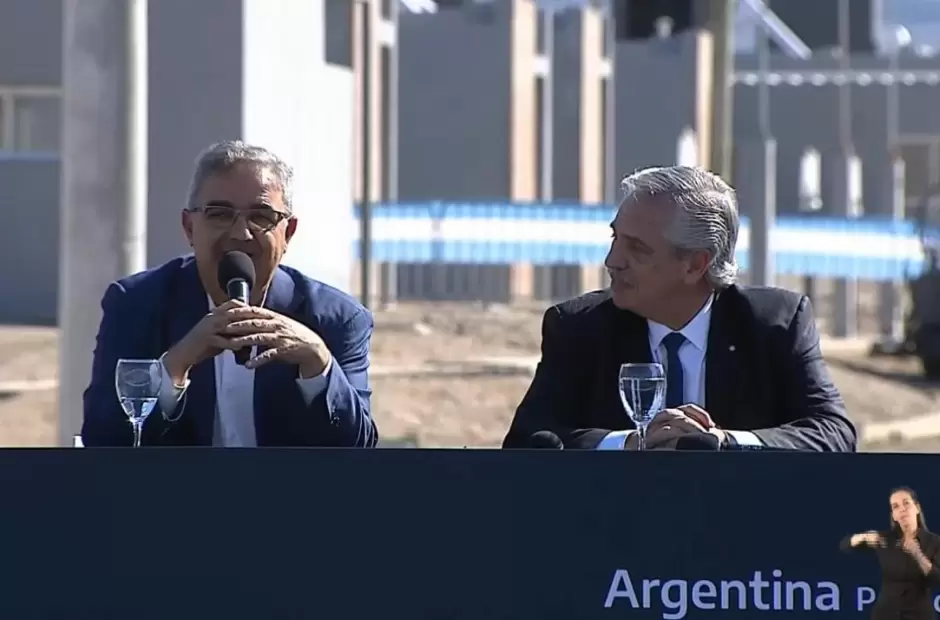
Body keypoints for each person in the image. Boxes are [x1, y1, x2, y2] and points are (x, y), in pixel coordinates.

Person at [502, 165, 856, 451]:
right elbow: (527, 441)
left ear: (695, 265)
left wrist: (726, 442)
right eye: (615, 238)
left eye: (637, 249)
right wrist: (628, 445)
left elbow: (834, 432)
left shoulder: (776, 324)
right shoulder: (579, 328)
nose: (612, 261)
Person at [81, 140, 377, 447]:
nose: (240, 233)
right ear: (189, 227)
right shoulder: (136, 304)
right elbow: (102, 441)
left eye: (261, 216)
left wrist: (319, 364)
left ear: (288, 233)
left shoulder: (336, 318)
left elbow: (358, 451)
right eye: (220, 214)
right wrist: (175, 365)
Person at [840, 487, 940, 620]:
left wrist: (918, 555)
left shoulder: (934, 541)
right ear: (894, 515)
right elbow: (845, 546)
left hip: (919, 614)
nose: (902, 509)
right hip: (885, 614)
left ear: (917, 508)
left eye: (906, 503)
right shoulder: (884, 539)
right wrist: (862, 537)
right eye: (896, 506)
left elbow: (937, 579)